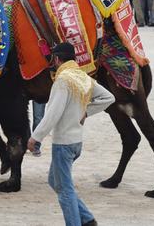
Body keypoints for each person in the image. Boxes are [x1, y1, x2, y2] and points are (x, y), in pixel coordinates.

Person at [27, 43, 115, 226]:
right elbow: (108, 98)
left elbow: (52, 114)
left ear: (57, 59)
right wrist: (86, 112)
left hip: (63, 144)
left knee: (65, 190)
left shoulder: (62, 81)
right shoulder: (82, 77)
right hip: (76, 143)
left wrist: (36, 136)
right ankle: (87, 219)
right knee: (54, 180)